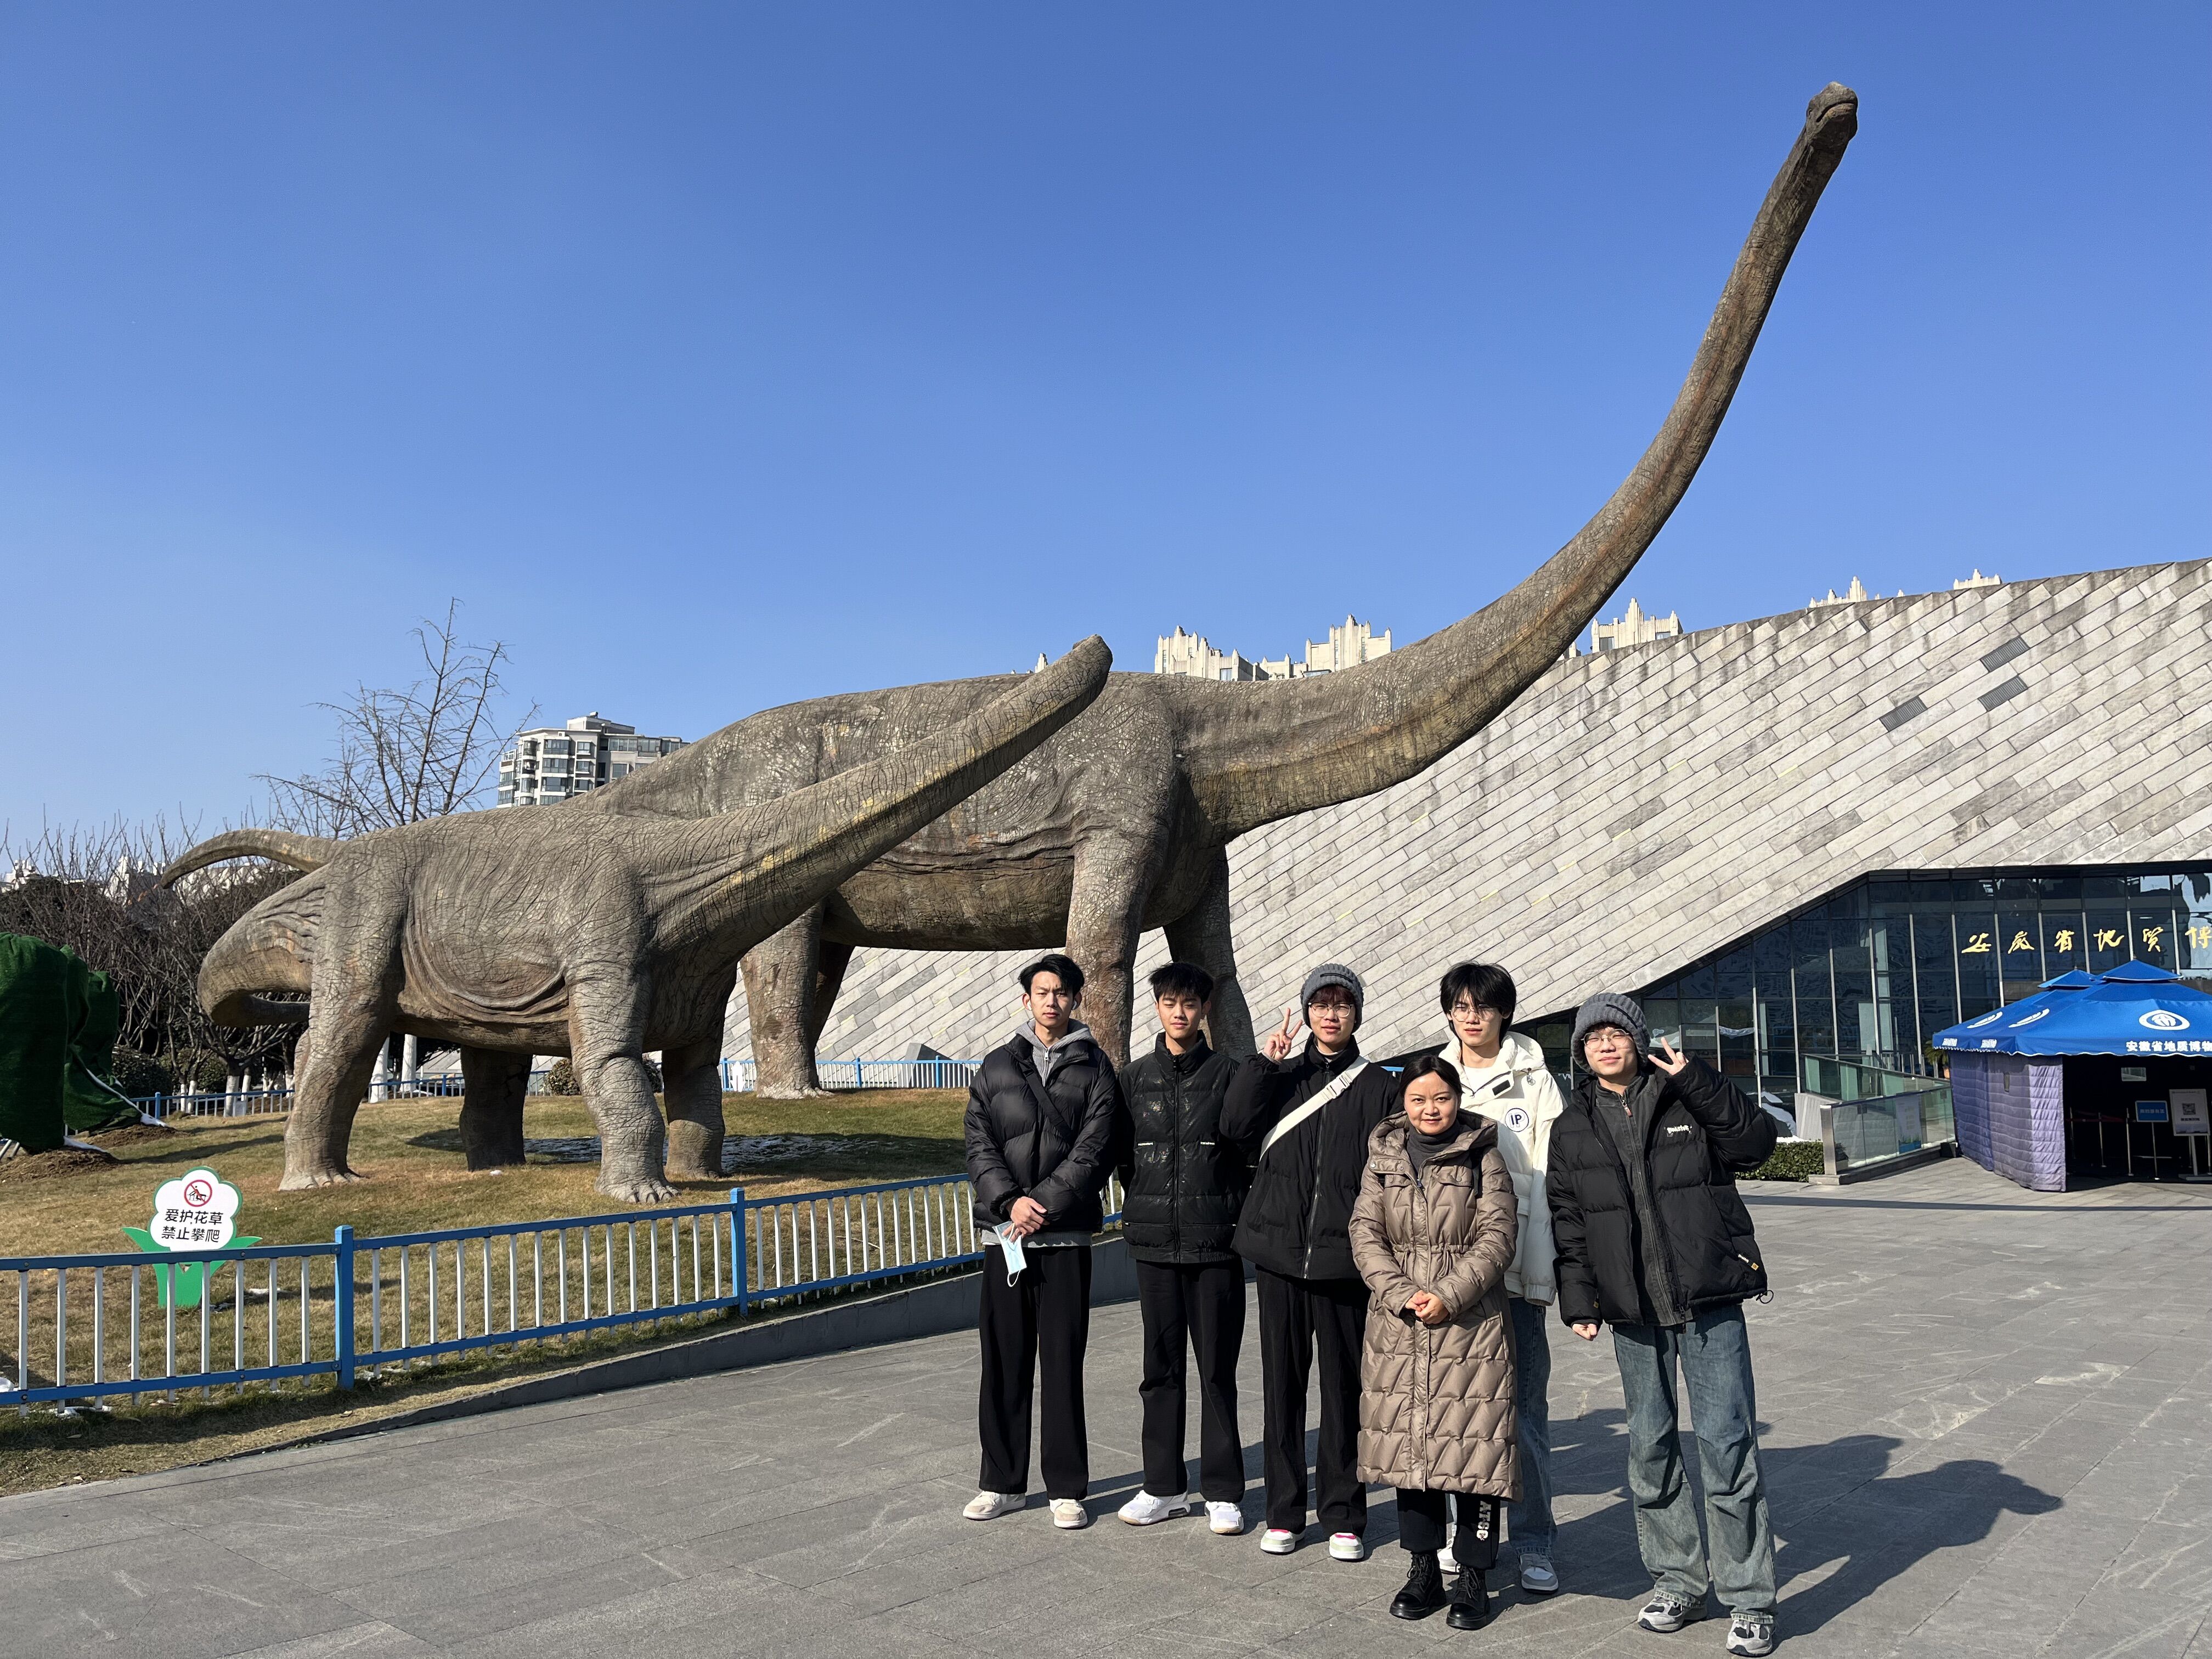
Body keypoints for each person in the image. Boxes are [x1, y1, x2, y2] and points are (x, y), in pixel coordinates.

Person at [1547, 994, 1781, 1658]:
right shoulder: (1572, 1125)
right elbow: (1569, 1219)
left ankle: (1750, 1598)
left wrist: (1697, 1080)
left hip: (1708, 1300)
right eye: (1592, 1037)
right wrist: (1580, 1300)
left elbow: (1756, 1145)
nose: (1605, 1044)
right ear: (1582, 1052)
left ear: (1638, 1039)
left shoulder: (1685, 1096)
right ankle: (1679, 1581)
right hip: (1632, 1312)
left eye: (1616, 1033)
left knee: (1727, 1445)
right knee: (1650, 1448)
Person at [1386, 962, 1567, 1596]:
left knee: (1524, 1417)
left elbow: (1554, 1182)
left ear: (1505, 1013)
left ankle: (1535, 1543)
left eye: (1483, 1007)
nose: (1471, 1017)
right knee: (1446, 1415)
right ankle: (1451, 1546)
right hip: (1443, 1285)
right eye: (1460, 1006)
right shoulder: (1433, 1078)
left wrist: (1553, 1272)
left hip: (1514, 1277)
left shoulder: (1536, 1081)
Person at [1221, 962, 1401, 1560]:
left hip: (1345, 1261)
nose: (1331, 1014)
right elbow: (1235, 1127)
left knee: (1345, 1390)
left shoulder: (1379, 1087)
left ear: (1357, 1014)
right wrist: (1263, 1065)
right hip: (1279, 1256)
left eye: (1342, 1004)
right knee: (1282, 1389)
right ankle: (1283, 1512)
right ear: (1305, 1014)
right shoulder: (1282, 1077)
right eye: (1320, 1004)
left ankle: (1344, 1514)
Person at [1350, 1056, 1520, 1630]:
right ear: (1404, 1103)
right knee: (1411, 1452)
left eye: (1441, 1098)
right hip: (1398, 1325)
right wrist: (1401, 1294)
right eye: (1419, 1099)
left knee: (1474, 1447)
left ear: (1457, 1099)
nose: (1430, 1110)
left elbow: (1498, 1235)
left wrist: (1449, 1294)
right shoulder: (1384, 1158)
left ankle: (1474, 1575)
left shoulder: (1483, 1154)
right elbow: (1365, 1232)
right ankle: (1423, 1569)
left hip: (1470, 1326)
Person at [961, 952, 1124, 1530]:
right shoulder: (996, 1066)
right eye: (1043, 991)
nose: (1052, 1001)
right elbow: (978, 1142)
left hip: (1065, 1239)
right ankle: (1000, 1483)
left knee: (1062, 1364)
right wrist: (1010, 1203)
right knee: (1003, 1362)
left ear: (1075, 999)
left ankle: (1066, 1488)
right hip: (1005, 1237)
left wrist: (1044, 1206)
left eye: (1062, 992)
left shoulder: (1096, 1068)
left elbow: (1096, 1148)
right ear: (1026, 999)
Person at [1113, 962, 1250, 1536]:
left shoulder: (1229, 1073)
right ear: (1158, 1007)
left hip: (1215, 1244)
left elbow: (1245, 1152)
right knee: (1160, 1371)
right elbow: (1124, 1156)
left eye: (1190, 1003)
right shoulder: (1133, 1078)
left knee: (1217, 1371)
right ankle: (1163, 1487)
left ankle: (1223, 1491)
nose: (1179, 1012)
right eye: (1170, 1002)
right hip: (1154, 1246)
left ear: (1204, 1009)